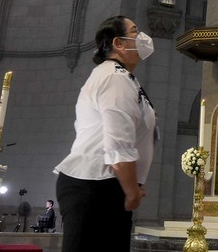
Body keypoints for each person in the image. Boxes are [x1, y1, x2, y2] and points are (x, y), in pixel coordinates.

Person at [54, 16, 157, 251]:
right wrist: (131, 192)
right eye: (135, 31)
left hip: (105, 186)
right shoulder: (114, 77)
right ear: (118, 43)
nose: (142, 37)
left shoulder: (124, 77)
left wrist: (132, 184)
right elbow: (118, 143)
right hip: (93, 186)